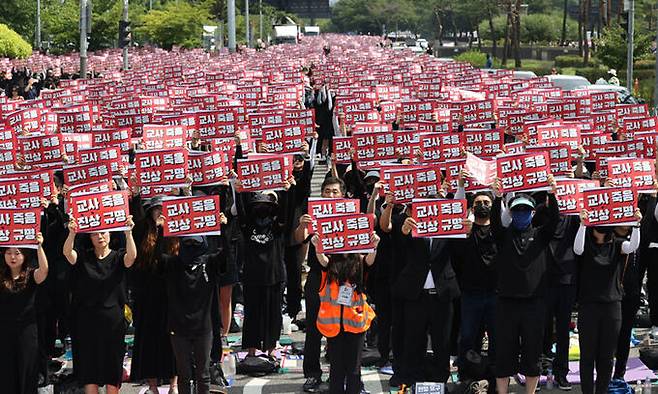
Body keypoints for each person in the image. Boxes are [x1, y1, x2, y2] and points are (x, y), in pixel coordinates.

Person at [490, 175, 559, 394]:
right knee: (503, 350)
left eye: (525, 210)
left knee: (532, 351)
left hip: (534, 303)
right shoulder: (503, 235)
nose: (521, 214)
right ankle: (502, 391)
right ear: (511, 213)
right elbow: (494, 221)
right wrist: (497, 197)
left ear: (532, 213)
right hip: (506, 303)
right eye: (517, 210)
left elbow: (555, 220)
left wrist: (551, 193)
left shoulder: (541, 235)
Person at [63, 216, 137, 394]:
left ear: (110, 233)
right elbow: (67, 253)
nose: (100, 237)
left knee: (112, 368)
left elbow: (132, 257)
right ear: (90, 237)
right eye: (95, 234)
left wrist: (128, 233)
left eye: (103, 232)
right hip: (87, 321)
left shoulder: (118, 256)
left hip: (113, 321)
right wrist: (72, 233)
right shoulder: (84, 257)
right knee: (90, 370)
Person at [574, 209, 642, 394]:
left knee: (606, 356)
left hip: (612, 306)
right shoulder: (586, 245)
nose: (601, 230)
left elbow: (632, 246)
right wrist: (582, 224)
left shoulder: (618, 244)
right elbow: (577, 249)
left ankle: (602, 391)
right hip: (588, 306)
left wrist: (636, 225)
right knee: (587, 355)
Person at [395, 205, 464, 386]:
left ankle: (440, 380)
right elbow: (399, 249)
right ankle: (412, 378)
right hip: (417, 294)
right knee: (414, 338)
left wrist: (465, 229)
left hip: (442, 294)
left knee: (442, 340)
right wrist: (404, 232)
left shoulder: (449, 229)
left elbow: (460, 249)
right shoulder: (411, 227)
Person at [160, 232, 228, 394]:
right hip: (178, 328)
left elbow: (227, 255)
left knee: (203, 374)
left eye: (196, 245)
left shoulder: (210, 263)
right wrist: (160, 231)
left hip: (203, 328)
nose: (192, 248)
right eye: (188, 244)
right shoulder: (172, 264)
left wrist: (224, 229)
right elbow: (158, 258)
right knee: (184, 374)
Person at [296, 177, 347, 392]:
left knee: (341, 329)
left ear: (343, 194)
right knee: (314, 330)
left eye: (335, 191)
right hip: (317, 277)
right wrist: (302, 224)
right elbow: (300, 238)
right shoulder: (314, 215)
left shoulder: (350, 216)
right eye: (327, 191)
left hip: (342, 278)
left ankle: (338, 374)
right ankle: (312, 374)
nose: (331, 195)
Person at [311, 238, 379, 394]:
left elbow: (370, 260)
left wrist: (374, 246)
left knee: (354, 369)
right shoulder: (330, 265)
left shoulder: (360, 262)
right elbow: (322, 259)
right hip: (334, 327)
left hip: (356, 325)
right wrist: (317, 246)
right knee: (337, 370)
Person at [130, 196, 178, 394]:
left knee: (172, 341)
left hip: (169, 295)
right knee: (148, 341)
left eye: (163, 208)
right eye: (156, 208)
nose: (160, 212)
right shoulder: (142, 230)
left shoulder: (175, 232)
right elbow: (147, 261)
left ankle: (174, 384)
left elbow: (170, 260)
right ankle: (152, 385)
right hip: (147, 296)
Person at [452, 175, 497, 376]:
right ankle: (466, 374)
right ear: (471, 208)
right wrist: (461, 186)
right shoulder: (464, 231)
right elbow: (455, 211)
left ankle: (494, 376)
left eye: (486, 203)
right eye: (478, 203)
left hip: (495, 294)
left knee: (496, 337)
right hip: (470, 293)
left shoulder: (499, 231)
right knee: (468, 336)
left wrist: (499, 193)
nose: (482, 206)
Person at [0, 232, 48, 394]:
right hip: (4, 332)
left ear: (24, 255)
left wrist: (39, 246)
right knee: (6, 374)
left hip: (27, 332)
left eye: (17, 253)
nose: (12, 257)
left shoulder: (31, 274)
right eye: (8, 252)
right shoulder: (1, 276)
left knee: (27, 372)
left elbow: (44, 270)